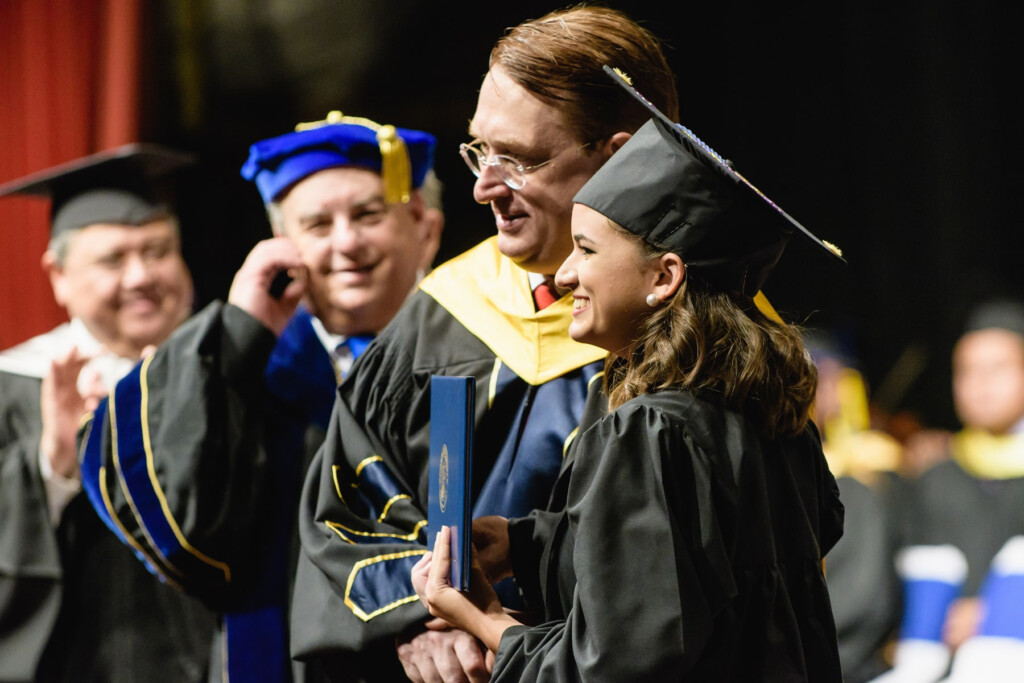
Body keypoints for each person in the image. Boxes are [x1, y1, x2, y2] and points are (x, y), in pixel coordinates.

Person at [412, 73, 847, 680]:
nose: (564, 277)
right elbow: (702, 577)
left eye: (586, 250)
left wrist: (484, 619)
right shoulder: (774, 417)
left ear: (664, 277)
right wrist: (526, 543)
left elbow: (617, 666)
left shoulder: (648, 428)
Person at [292, 7, 682, 681]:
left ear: (617, 158)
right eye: (480, 151)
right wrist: (421, 614)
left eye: (519, 159)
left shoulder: (711, 339)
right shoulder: (443, 312)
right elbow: (346, 498)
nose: (484, 187)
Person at [75, 114, 442, 682]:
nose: (346, 242)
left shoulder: (483, 352)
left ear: (425, 226)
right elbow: (184, 527)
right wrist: (241, 332)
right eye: (317, 225)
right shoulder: (253, 373)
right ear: (284, 247)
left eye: (368, 214)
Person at [0, 145, 206, 681]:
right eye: (113, 259)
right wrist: (53, 473)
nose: (140, 276)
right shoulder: (13, 385)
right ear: (59, 275)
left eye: (158, 250)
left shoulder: (226, 372)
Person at [874, 299, 1024, 682]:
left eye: (997, 369)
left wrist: (998, 614)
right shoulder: (934, 477)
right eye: (966, 371)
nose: (981, 384)